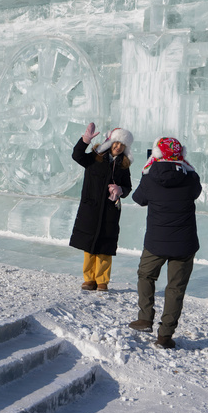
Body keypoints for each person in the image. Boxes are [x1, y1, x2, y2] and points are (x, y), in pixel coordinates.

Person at [127, 137, 202, 350]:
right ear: (182, 155)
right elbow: (196, 192)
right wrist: (187, 166)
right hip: (184, 244)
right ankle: (165, 336)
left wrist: (147, 169)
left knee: (146, 275)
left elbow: (138, 199)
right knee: (175, 288)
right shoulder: (190, 178)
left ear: (157, 154)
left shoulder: (150, 177)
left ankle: (145, 318)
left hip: (156, 243)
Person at [69, 122, 133, 291]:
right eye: (116, 143)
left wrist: (120, 190)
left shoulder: (123, 166)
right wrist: (85, 140)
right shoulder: (94, 158)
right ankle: (89, 279)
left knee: (105, 246)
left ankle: (102, 280)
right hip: (91, 209)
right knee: (89, 246)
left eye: (122, 145)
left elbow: (128, 187)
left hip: (110, 211)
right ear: (110, 142)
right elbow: (77, 155)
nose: (118, 147)